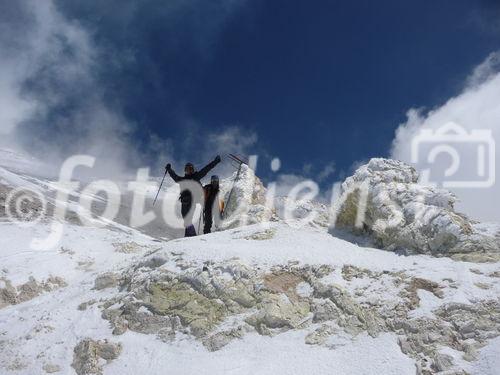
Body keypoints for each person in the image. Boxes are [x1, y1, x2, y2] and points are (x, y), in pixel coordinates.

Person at [165, 155, 221, 237]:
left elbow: (206, 169)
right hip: (185, 200)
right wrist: (169, 170)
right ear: (185, 171)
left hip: (195, 198)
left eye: (191, 169)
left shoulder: (196, 176)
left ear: (193, 170)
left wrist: (215, 161)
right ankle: (190, 235)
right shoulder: (182, 180)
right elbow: (175, 177)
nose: (189, 171)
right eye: (187, 170)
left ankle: (198, 232)